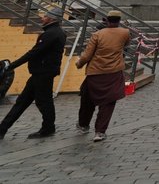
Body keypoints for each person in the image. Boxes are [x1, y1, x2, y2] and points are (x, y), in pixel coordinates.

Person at [0, 7, 67, 139]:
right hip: (42, 72)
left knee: (43, 101)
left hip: (43, 73)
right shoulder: (57, 32)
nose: (42, 18)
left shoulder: (51, 34)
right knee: (23, 101)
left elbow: (34, 53)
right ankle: (3, 128)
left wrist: (11, 65)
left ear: (51, 18)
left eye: (45, 16)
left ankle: (48, 128)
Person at [75, 9, 132, 142]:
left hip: (95, 71)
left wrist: (79, 63)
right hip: (114, 71)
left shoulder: (97, 34)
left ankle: (83, 125)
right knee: (108, 101)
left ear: (106, 20)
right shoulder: (125, 33)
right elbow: (126, 44)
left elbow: (88, 54)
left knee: (87, 99)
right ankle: (100, 131)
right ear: (119, 20)